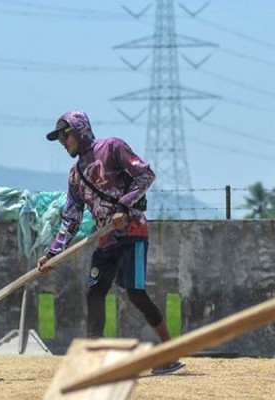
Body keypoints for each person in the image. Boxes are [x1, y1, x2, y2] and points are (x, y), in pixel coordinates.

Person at [37, 110, 185, 375]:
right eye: (59, 138)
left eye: (65, 135)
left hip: (132, 233)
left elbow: (146, 175)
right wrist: (52, 254)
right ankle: (94, 362)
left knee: (136, 294)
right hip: (105, 240)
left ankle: (169, 353)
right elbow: (71, 217)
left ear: (80, 130)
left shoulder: (112, 147)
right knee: (95, 293)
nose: (62, 142)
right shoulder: (75, 175)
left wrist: (123, 205)